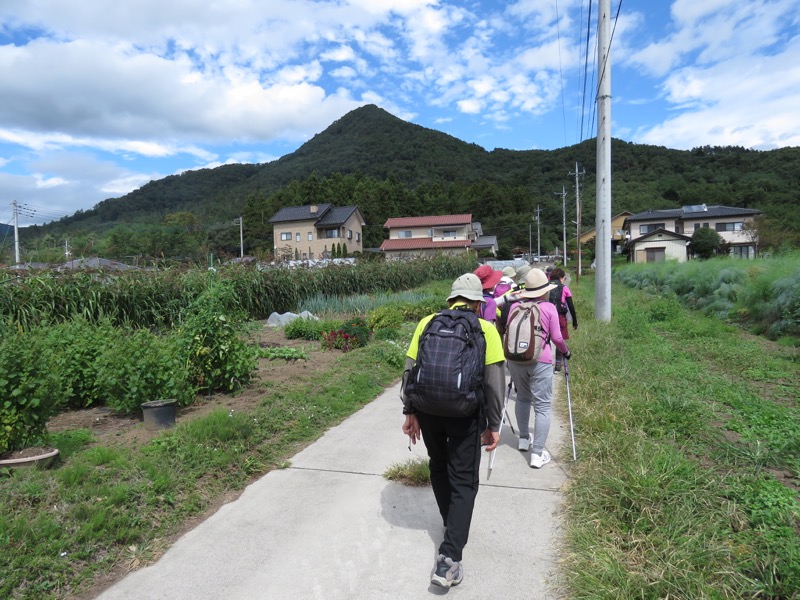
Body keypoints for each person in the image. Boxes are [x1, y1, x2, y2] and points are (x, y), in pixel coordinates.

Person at [401, 273, 505, 589]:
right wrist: (493, 424)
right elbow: (494, 382)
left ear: (451, 299)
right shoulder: (486, 329)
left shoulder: (426, 323)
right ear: (477, 303)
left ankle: (452, 524)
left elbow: (409, 371)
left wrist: (410, 412)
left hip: (429, 412)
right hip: (465, 415)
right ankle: (449, 559)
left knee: (438, 466)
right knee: (464, 480)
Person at [498, 268, 570, 468]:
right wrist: (566, 351)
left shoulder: (515, 308)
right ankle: (537, 454)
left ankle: (523, 439)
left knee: (522, 398)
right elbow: (556, 338)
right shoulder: (549, 308)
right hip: (540, 360)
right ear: (545, 291)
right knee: (542, 406)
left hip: (515, 360)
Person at [548, 267, 578, 372]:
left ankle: (546, 362)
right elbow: (571, 306)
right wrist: (575, 321)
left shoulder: (546, 287)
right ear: (561, 278)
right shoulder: (564, 288)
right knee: (559, 340)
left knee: (546, 339)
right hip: (560, 317)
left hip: (547, 316)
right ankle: (558, 365)